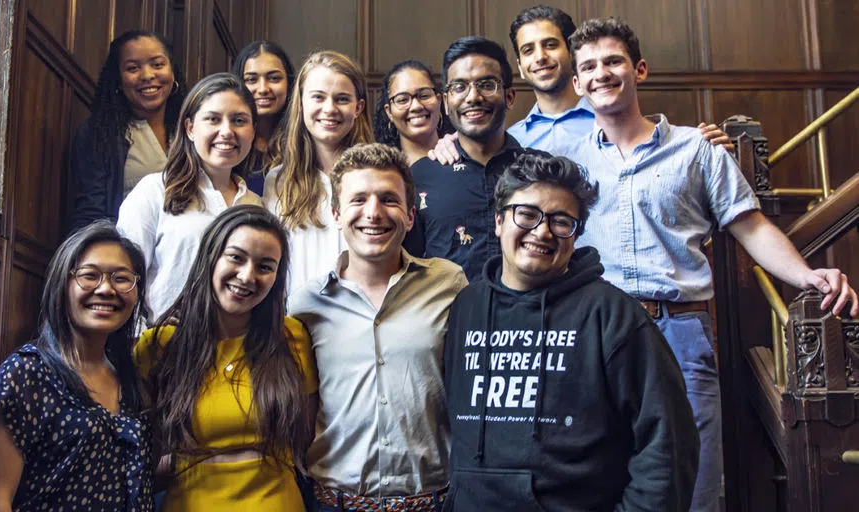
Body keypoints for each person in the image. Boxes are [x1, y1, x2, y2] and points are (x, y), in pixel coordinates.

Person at [564, 17, 858, 511]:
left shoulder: (697, 150)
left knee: (694, 482)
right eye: (588, 66)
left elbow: (753, 227)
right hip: (601, 334)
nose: (601, 73)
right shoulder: (570, 164)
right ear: (576, 84)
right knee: (606, 478)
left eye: (613, 61)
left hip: (680, 331)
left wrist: (808, 275)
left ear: (639, 69)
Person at [443, 150, 699, 511]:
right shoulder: (466, 307)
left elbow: (668, 447)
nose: (543, 231)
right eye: (527, 214)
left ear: (575, 234)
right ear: (499, 221)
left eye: (561, 221)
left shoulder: (615, 316)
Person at [288, 143, 467, 511]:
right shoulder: (307, 303)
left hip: (432, 501)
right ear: (337, 214)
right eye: (358, 200)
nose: (373, 212)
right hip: (333, 502)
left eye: (389, 199)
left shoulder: (449, 284)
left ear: (411, 215)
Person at [134, 205, 318, 512]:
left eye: (265, 266)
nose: (247, 276)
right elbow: (140, 455)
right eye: (236, 257)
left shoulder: (293, 337)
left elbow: (307, 438)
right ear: (211, 256)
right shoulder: (160, 346)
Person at [0, 221, 152, 511]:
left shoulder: (131, 380)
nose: (106, 289)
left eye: (121, 278)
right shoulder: (26, 374)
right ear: (63, 285)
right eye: (89, 275)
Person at [429, 5, 729, 163]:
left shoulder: (621, 124)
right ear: (519, 67)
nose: (540, 57)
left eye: (550, 45)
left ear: (572, 54)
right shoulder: (509, 139)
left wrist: (704, 143)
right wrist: (447, 144)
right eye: (528, 50)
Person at [117, 72, 263, 322]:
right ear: (190, 128)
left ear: (252, 132)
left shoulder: (256, 206)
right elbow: (123, 273)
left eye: (239, 120)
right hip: (160, 347)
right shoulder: (154, 191)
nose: (227, 131)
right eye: (213, 119)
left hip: (232, 351)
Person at [403, 36, 521, 282]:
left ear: (509, 96)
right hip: (447, 317)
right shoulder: (421, 177)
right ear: (446, 102)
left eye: (487, 84)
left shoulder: (538, 172)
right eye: (459, 87)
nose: (473, 97)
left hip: (525, 317)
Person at [264, 51, 374, 294]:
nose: (329, 108)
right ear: (301, 103)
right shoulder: (277, 181)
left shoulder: (376, 177)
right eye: (318, 97)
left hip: (360, 318)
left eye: (342, 99)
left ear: (358, 108)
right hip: (295, 320)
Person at [70, 30, 186, 232]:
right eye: (133, 68)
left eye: (157, 64)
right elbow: (90, 214)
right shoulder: (98, 135)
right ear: (118, 80)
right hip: (128, 253)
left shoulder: (194, 129)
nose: (148, 75)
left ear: (172, 71)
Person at [231, 40, 295, 195]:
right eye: (252, 80)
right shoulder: (226, 140)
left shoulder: (303, 142)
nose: (263, 89)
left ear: (289, 83)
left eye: (274, 78)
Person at [373, 60, 450, 164]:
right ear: (389, 112)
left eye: (424, 95)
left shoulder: (461, 156)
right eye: (402, 100)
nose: (416, 106)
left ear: (439, 101)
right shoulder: (381, 169)